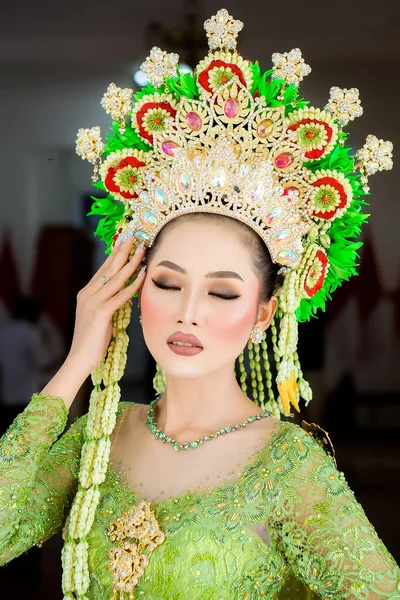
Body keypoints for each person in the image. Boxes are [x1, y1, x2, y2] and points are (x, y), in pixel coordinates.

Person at [0, 9, 398, 599]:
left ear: (264, 311)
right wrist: (77, 362)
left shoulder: (288, 466)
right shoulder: (98, 439)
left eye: (222, 291)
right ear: (136, 289)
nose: (189, 311)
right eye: (167, 282)